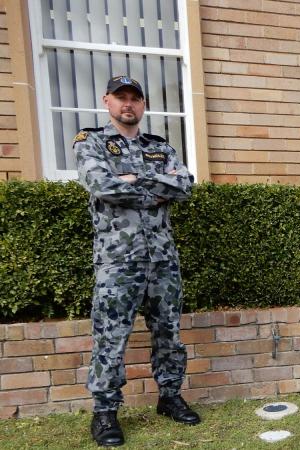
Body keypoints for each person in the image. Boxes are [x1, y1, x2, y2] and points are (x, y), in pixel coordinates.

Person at [74, 76, 199, 447]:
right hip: (118, 261)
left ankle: (170, 397)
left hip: (162, 259)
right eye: (121, 97)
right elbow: (101, 185)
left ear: (143, 105)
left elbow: (184, 185)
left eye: (135, 98)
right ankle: (105, 412)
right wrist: (156, 186)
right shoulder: (91, 142)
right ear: (107, 101)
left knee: (169, 334)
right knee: (111, 337)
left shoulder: (159, 147)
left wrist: (136, 177)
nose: (128, 104)